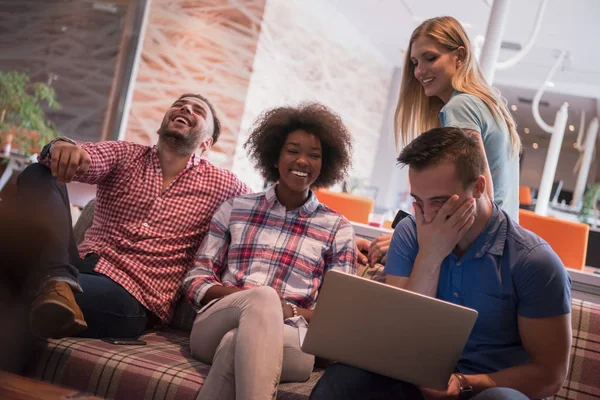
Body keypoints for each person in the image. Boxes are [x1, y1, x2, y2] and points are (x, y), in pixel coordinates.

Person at [310, 127, 571, 400]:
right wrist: (431, 255)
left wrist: (463, 382)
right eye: (418, 202)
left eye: (440, 202)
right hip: (411, 381)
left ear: (479, 187)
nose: (428, 214)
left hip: (486, 389)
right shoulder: (411, 232)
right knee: (343, 381)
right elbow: (400, 336)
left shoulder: (534, 262)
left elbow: (550, 376)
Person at [18, 93, 250, 339]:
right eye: (179, 105)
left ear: (207, 143)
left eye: (198, 111)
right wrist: (59, 147)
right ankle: (57, 280)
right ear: (161, 127)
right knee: (37, 172)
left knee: (19, 285)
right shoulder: (125, 154)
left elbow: (263, 209)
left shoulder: (225, 185)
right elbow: (82, 157)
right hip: (77, 267)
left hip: (131, 296)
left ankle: (53, 284)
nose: (186, 109)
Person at [183, 103, 357, 400]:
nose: (302, 160)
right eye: (292, 150)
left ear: (325, 164)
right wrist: (251, 299)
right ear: (275, 155)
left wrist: (284, 310)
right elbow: (196, 279)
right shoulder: (235, 208)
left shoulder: (337, 228)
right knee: (261, 297)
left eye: (314, 155)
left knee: (234, 345)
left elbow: (337, 314)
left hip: (291, 337)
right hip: (214, 324)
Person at [359, 15, 521, 266]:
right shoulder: (485, 104)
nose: (419, 71)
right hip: (496, 247)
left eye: (430, 58)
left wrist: (411, 240)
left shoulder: (461, 107)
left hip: (475, 248)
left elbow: (475, 197)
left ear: (459, 56)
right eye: (415, 62)